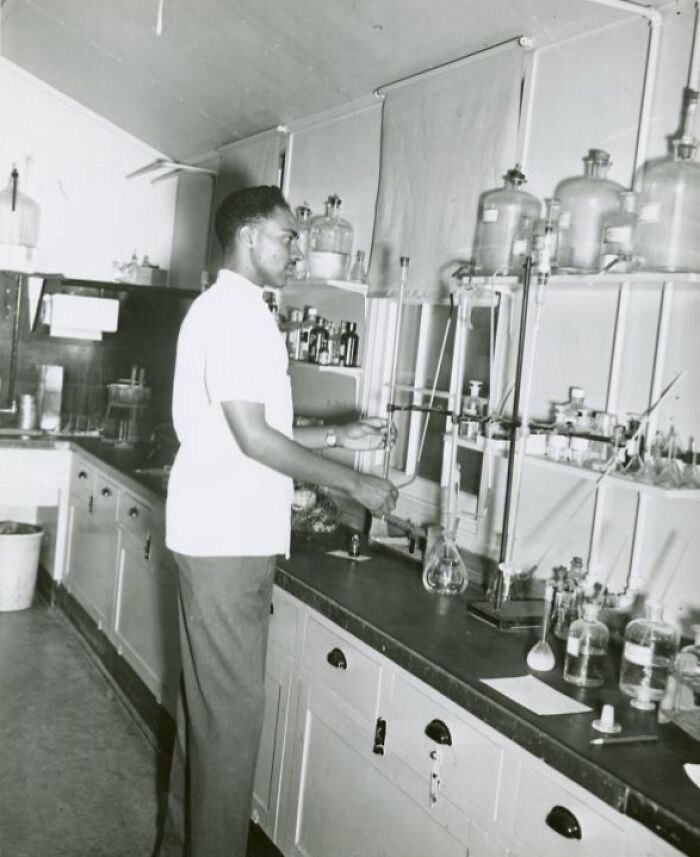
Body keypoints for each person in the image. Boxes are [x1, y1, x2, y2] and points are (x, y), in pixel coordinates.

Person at [154, 185, 398, 857]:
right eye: (288, 236)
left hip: (219, 536)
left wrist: (345, 434)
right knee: (230, 724)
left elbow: (265, 429)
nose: (300, 248)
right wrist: (357, 483)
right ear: (247, 238)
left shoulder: (234, 311)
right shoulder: (235, 315)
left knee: (207, 713)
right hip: (227, 542)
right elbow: (255, 441)